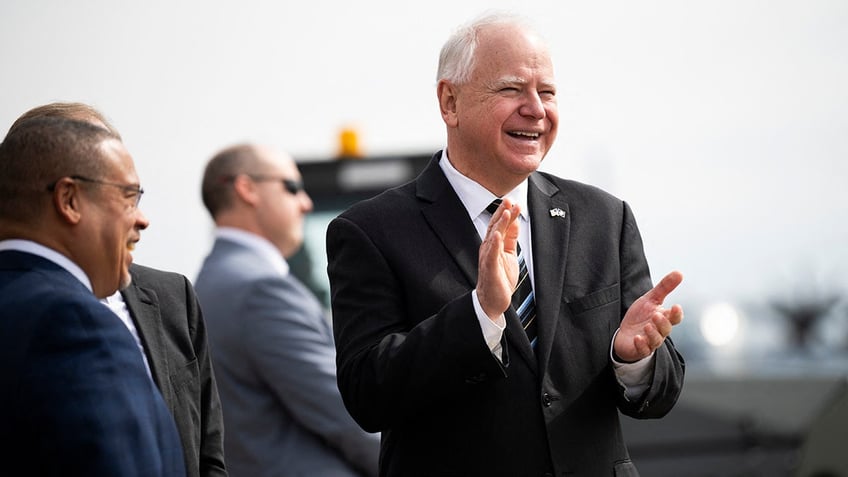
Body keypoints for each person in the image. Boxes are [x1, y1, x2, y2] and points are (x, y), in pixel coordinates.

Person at [325, 12, 686, 477]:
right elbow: (366, 395)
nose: (536, 108)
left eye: (548, 92)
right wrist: (481, 316)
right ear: (450, 102)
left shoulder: (604, 218)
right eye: (512, 89)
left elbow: (660, 394)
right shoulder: (369, 231)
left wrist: (632, 359)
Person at [7, 102, 228, 477]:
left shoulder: (174, 297)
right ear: (69, 199)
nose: (142, 218)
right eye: (127, 196)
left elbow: (207, 452)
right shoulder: (73, 320)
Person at [195, 143, 380, 477]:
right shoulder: (260, 289)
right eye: (292, 188)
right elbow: (349, 415)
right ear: (246, 188)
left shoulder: (211, 282)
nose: (305, 203)